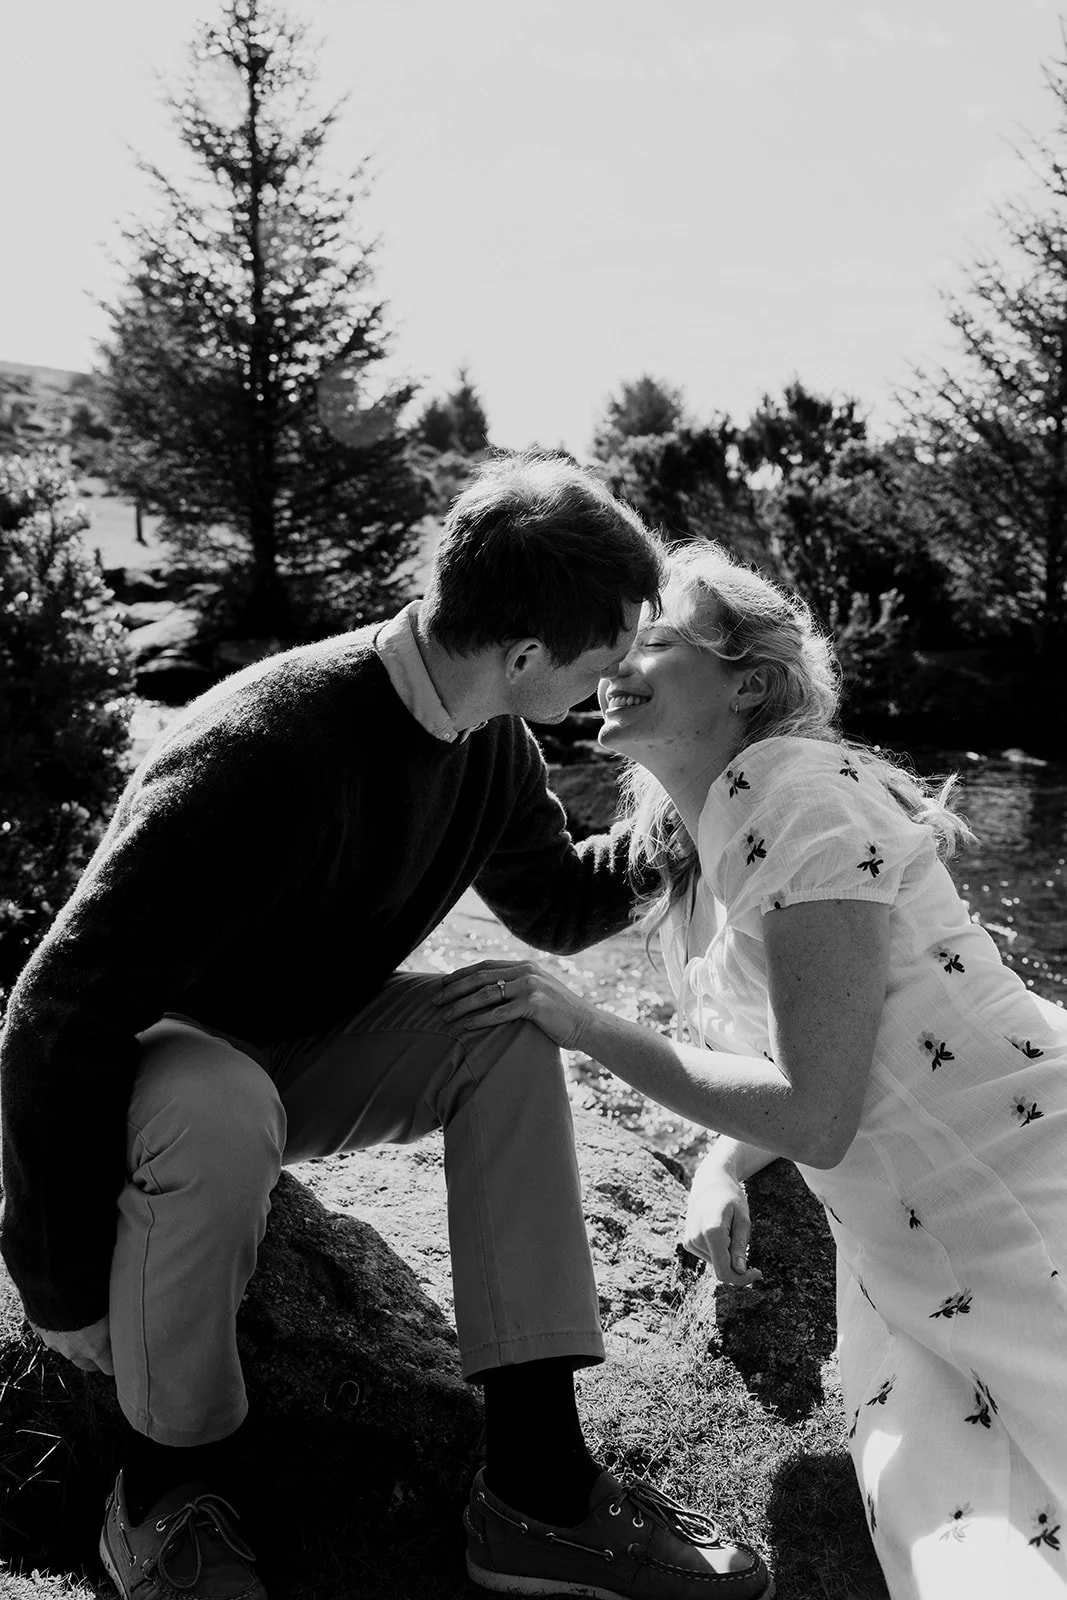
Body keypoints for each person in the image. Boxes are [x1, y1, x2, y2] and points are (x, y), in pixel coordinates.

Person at [0, 458, 773, 1600]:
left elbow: (555, 903)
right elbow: (53, 1010)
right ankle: (164, 1490)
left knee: (508, 1023)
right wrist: (59, 1284)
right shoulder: (267, 749)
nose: (609, 684)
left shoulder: (493, 749)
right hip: (160, 1065)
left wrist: (717, 798)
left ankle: (536, 1493)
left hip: (297, 1046)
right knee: (221, 1101)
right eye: (602, 659)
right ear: (521, 657)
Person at [440, 541, 1067, 1600]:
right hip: (906, 1256)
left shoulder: (799, 797)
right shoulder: (702, 836)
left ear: (748, 681)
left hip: (1025, 1179)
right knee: (955, 1534)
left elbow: (817, 1113)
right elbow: (821, 1064)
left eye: (658, 637)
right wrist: (722, 1167)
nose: (614, 659)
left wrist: (586, 1027)